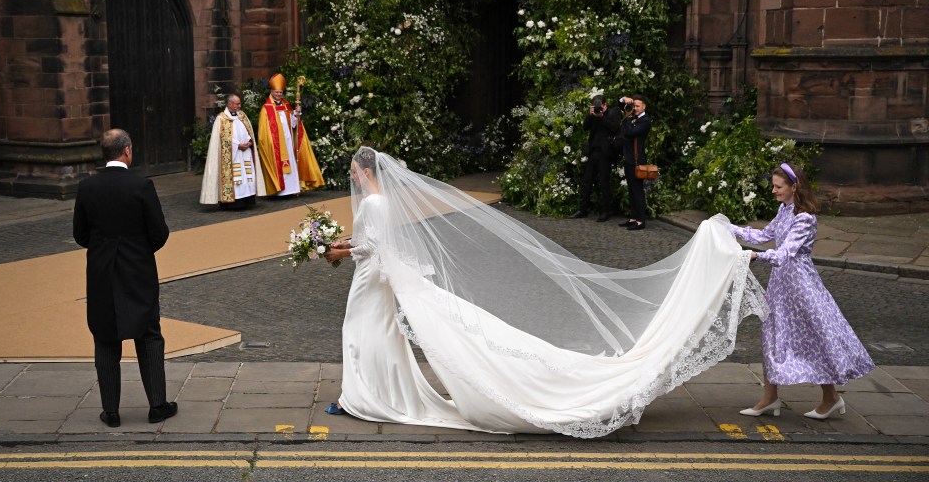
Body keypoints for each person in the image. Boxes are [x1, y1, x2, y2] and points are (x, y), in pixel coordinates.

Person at [322, 146, 766, 437]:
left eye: (354, 174)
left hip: (374, 279)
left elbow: (374, 247)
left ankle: (365, 397)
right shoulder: (382, 203)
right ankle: (366, 395)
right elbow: (378, 245)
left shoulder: (375, 203)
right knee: (373, 335)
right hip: (380, 279)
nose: (354, 180)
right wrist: (343, 245)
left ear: (363, 172)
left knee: (372, 334)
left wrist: (338, 251)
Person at [728, 163, 874, 420]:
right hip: (781, 285)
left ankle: (831, 398)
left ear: (794, 187)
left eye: (778, 186)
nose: (773, 191)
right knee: (772, 335)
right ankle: (770, 398)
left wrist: (754, 256)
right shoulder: (784, 210)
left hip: (802, 287)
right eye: (773, 186)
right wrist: (728, 229)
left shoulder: (805, 218)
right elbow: (764, 235)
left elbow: (785, 254)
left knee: (816, 339)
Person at [72, 129, 178, 428]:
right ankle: (157, 405)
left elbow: (80, 234)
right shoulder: (141, 185)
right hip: (138, 271)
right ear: (127, 151)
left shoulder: (87, 187)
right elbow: (159, 232)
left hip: (102, 273)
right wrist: (139, 251)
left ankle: (111, 411)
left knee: (105, 338)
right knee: (149, 335)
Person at [199, 94, 266, 209]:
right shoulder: (221, 119)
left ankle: (247, 200)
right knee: (235, 178)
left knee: (246, 176)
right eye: (236, 104)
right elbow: (221, 139)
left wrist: (250, 142)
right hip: (232, 156)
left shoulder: (242, 116)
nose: (239, 106)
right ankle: (232, 204)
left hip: (245, 153)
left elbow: (249, 132)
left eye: (239, 103)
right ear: (229, 104)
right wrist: (237, 145)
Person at [569, 95, 622, 222]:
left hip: (606, 153)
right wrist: (590, 115)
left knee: (604, 182)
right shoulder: (593, 115)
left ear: (605, 105)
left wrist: (601, 117)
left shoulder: (613, 113)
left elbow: (615, 128)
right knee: (587, 181)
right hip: (593, 152)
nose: (599, 108)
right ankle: (583, 209)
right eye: (596, 106)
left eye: (600, 106)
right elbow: (585, 127)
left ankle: (605, 211)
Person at [619, 94, 651, 230]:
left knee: (637, 190)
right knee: (631, 190)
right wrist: (624, 100)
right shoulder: (633, 117)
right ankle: (633, 217)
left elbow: (631, 132)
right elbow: (620, 103)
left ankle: (641, 221)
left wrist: (627, 116)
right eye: (634, 105)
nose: (635, 108)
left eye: (638, 106)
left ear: (644, 106)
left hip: (637, 160)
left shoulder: (645, 121)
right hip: (629, 158)